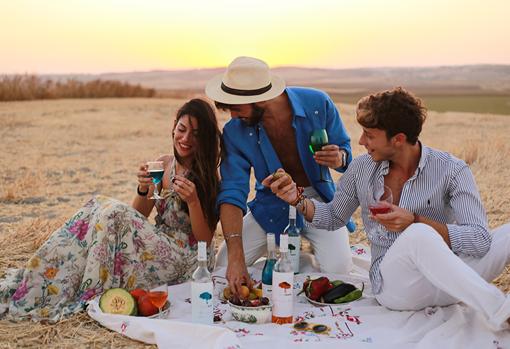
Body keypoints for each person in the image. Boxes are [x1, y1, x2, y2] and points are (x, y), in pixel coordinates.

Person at [265, 87, 510, 331]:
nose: (361, 141)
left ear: (398, 139)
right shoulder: (361, 169)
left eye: (369, 135)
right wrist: (297, 199)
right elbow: (333, 217)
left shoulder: (452, 170)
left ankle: (486, 300)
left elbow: (480, 240)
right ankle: (500, 310)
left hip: (450, 281)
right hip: (400, 288)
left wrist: (415, 220)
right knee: (418, 235)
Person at [0, 98, 222, 322]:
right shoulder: (163, 164)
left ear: (204, 139)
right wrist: (143, 188)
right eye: (181, 130)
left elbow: (205, 238)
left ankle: (91, 291)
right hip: (160, 242)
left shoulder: (209, 175)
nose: (185, 139)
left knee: (115, 212)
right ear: (173, 128)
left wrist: (193, 202)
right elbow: (139, 214)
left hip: (190, 258)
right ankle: (48, 273)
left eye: (195, 134)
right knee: (99, 204)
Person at [205, 56, 354, 294]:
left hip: (320, 203)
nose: (233, 116)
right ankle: (296, 261)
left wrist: (340, 158)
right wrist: (235, 255)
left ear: (259, 98)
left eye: (236, 107)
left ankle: (295, 260)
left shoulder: (317, 103)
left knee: (339, 270)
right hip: (270, 206)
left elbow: (347, 157)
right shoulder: (234, 132)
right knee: (223, 265)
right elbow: (232, 191)